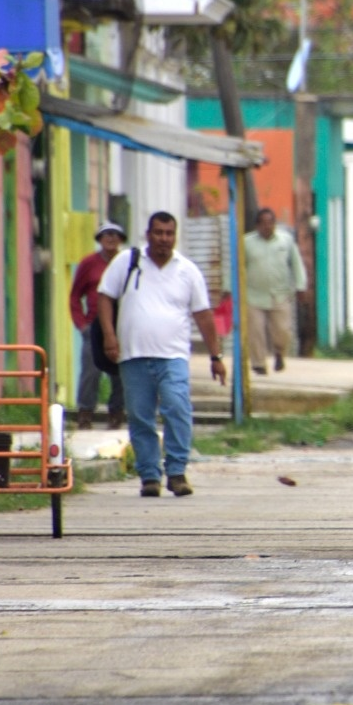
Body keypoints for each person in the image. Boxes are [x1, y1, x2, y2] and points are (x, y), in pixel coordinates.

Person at [97, 212, 226, 498]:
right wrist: (109, 336)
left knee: (177, 408)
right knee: (140, 416)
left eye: (169, 233)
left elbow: (203, 315)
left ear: (175, 236)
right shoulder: (127, 262)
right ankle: (149, 476)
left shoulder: (187, 271)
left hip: (173, 356)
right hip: (133, 355)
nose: (164, 239)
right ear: (148, 235)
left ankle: (177, 471)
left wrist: (216, 356)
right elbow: (105, 297)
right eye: (158, 233)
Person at [68, 222, 127, 429]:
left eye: (115, 234)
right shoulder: (89, 263)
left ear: (121, 239)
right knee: (90, 372)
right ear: (99, 239)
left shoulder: (126, 262)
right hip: (94, 325)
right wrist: (81, 324)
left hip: (121, 325)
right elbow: (75, 296)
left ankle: (116, 414)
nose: (110, 238)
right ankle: (85, 414)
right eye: (106, 234)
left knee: (120, 373)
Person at [242, 207, 308, 376]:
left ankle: (279, 353)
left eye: (270, 223)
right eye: (263, 223)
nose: (267, 227)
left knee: (282, 330)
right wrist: (229, 289)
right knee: (256, 331)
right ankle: (258, 363)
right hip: (254, 295)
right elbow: (237, 267)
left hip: (280, 294)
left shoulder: (286, 241)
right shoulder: (246, 243)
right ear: (257, 226)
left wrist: (300, 286)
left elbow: (296, 264)